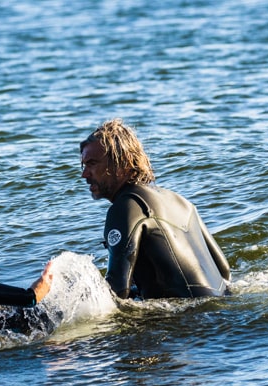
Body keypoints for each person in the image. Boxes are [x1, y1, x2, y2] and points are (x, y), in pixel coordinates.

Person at [79, 118, 230, 299]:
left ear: (122, 162)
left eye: (92, 164)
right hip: (221, 308)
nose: (84, 174)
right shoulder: (181, 202)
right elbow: (225, 272)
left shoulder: (126, 206)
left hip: (190, 321)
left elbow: (118, 289)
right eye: (84, 165)